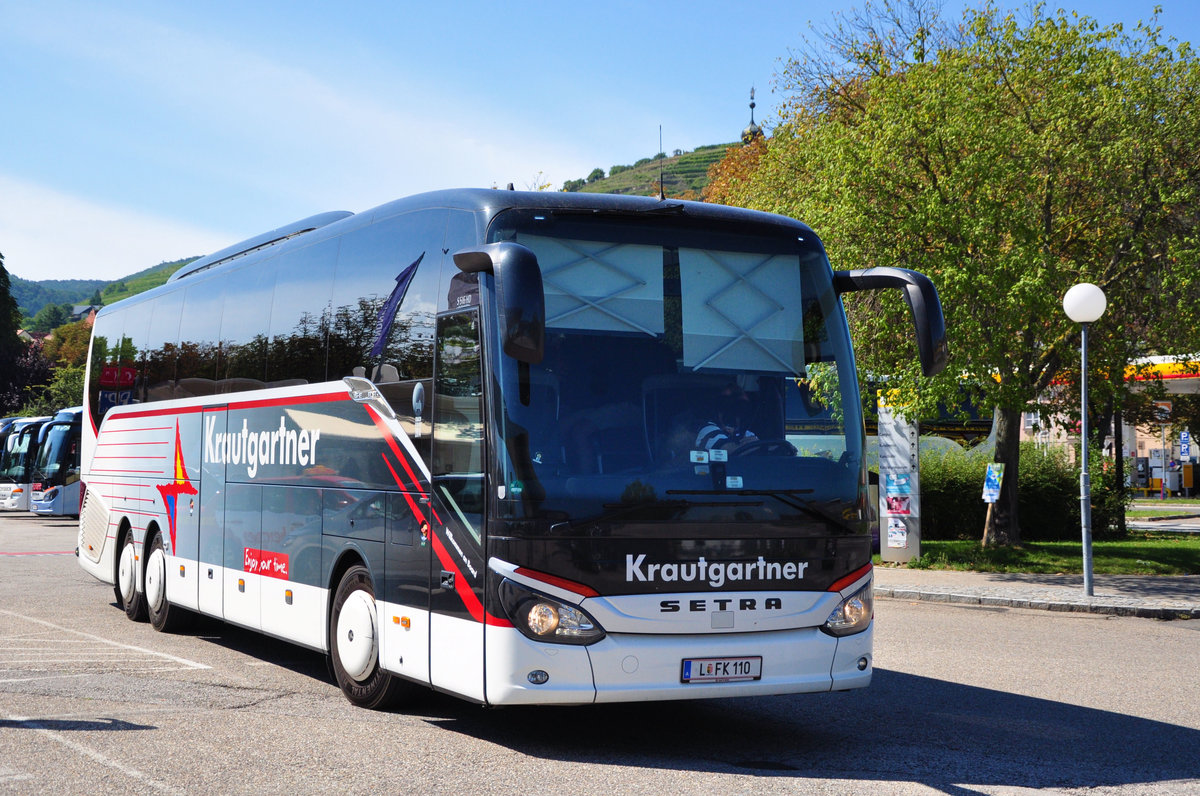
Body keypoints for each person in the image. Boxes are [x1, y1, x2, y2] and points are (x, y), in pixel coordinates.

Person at [695, 383, 758, 452]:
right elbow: (728, 450)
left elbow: (764, 449)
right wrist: (754, 445)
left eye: (741, 405)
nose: (733, 409)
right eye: (726, 403)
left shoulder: (746, 433)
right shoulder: (707, 430)